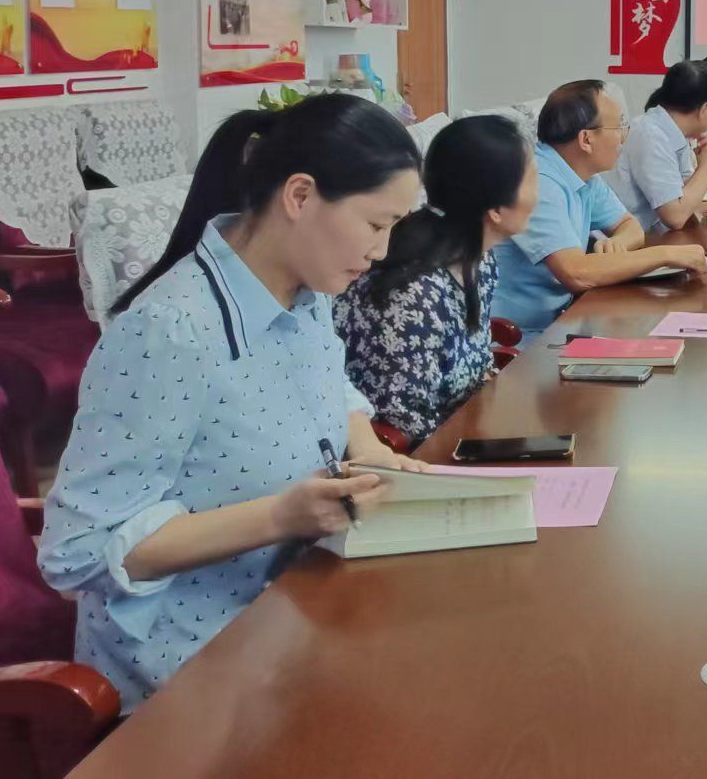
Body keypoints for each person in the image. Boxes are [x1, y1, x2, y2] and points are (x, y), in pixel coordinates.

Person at [38, 95, 429, 711]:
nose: (382, 251)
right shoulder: (169, 332)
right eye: (376, 225)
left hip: (298, 609)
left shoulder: (307, 288)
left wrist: (369, 448)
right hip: (194, 670)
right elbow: (76, 553)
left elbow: (331, 386)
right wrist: (280, 517)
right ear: (300, 196)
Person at [335, 115, 538, 449]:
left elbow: (475, 370)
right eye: (532, 179)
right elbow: (404, 425)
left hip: (470, 428)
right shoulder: (414, 293)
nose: (539, 193)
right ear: (497, 210)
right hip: (424, 454)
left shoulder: (481, 260)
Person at [492, 80, 704, 333]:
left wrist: (618, 244)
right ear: (586, 139)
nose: (623, 138)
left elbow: (629, 225)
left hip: (565, 318)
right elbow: (575, 273)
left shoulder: (582, 174)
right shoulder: (537, 181)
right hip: (523, 337)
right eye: (618, 127)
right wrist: (665, 255)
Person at [614, 59, 707, 231]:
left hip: (648, 234)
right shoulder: (651, 135)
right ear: (705, 109)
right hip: (623, 240)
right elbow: (675, 216)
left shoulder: (674, 133)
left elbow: (684, 197)